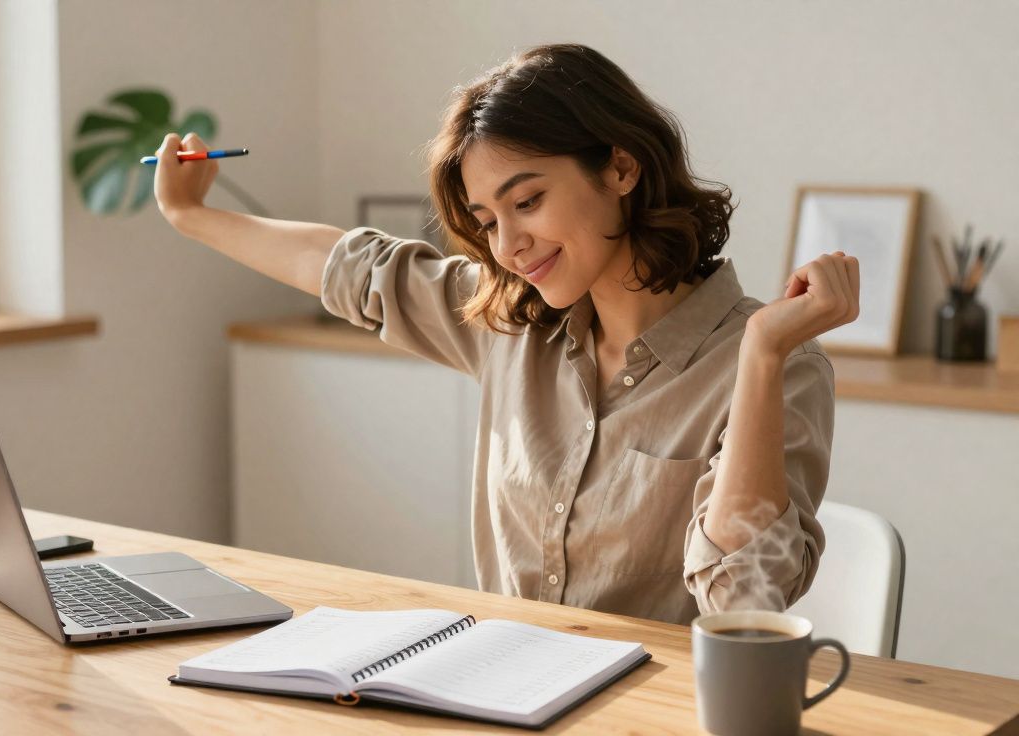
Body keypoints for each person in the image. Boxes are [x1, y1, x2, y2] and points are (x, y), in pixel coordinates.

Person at [152, 43, 859, 625]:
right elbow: (354, 268)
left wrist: (762, 357)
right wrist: (193, 218)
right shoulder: (510, 323)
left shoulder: (778, 366)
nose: (509, 246)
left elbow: (743, 602)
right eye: (488, 221)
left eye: (528, 201)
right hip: (504, 694)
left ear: (620, 167)